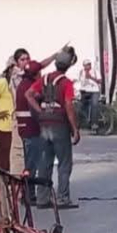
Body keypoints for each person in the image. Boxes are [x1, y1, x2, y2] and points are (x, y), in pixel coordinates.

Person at [26, 48, 80, 209]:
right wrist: (75, 128)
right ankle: (63, 198)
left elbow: (28, 94)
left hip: (44, 124)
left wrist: (40, 110)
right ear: (68, 65)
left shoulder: (44, 79)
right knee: (64, 162)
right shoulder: (66, 83)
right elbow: (69, 105)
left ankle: (42, 198)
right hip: (59, 124)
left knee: (45, 162)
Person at [12, 45, 66, 189]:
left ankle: (28, 193)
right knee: (31, 164)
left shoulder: (25, 82)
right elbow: (33, 99)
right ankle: (28, 193)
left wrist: (56, 54)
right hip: (31, 129)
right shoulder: (29, 86)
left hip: (26, 129)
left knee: (31, 162)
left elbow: (42, 63)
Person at [0, 61, 17, 171]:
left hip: (14, 126)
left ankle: (7, 185)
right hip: (3, 127)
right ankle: (0, 184)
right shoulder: (2, 82)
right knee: (2, 159)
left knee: (11, 159)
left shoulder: (15, 84)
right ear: (10, 69)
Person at [77, 59, 103, 129]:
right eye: (85, 66)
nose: (86, 67)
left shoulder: (95, 71)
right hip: (85, 91)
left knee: (94, 104)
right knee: (80, 106)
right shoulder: (81, 72)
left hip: (94, 91)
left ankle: (94, 123)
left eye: (88, 65)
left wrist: (91, 77)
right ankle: (83, 121)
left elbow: (100, 81)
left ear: (90, 65)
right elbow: (80, 82)